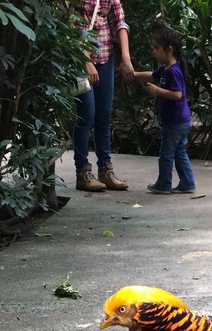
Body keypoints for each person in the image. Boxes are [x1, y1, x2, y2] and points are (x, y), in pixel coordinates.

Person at [74, 0, 135, 192]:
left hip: (105, 57)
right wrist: (84, 59)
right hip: (80, 59)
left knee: (104, 116)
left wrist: (126, 57)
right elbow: (69, 25)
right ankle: (82, 172)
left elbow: (119, 22)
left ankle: (105, 170)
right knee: (86, 114)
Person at [132, 27, 195, 195]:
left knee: (166, 154)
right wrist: (134, 74)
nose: (153, 52)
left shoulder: (174, 72)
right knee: (179, 152)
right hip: (179, 122)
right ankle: (187, 182)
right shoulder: (165, 69)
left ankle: (164, 183)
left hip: (175, 123)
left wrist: (158, 91)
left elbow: (177, 95)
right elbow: (152, 75)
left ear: (169, 50)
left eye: (156, 48)